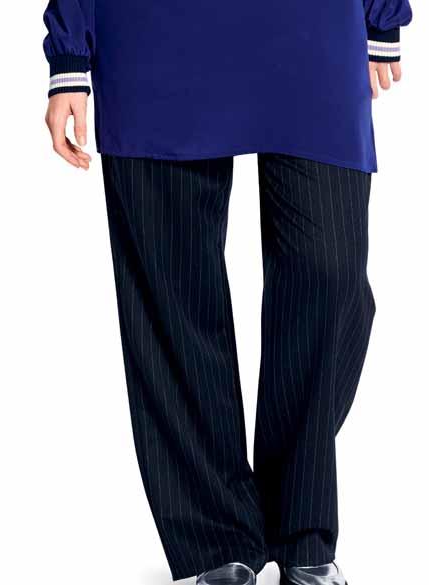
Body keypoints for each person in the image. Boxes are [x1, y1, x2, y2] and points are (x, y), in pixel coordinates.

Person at [43, 1, 412, 584]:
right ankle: (217, 536)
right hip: (153, 29)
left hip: (310, 24)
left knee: (330, 273)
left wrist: (382, 13)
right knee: (174, 291)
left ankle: (299, 516)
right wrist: (68, 52)